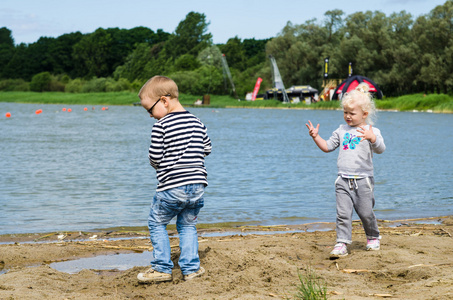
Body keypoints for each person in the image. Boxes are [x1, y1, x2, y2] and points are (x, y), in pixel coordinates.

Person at [137, 75, 212, 282]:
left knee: (156, 222)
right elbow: (207, 148)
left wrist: (160, 166)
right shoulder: (198, 121)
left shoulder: (161, 125)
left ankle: (161, 267)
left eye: (150, 110)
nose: (150, 115)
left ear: (164, 100)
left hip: (172, 186)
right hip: (197, 186)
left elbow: (154, 157)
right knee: (187, 225)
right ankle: (191, 269)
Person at [305, 83, 385, 258]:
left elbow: (381, 149)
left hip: (363, 180)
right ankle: (342, 243)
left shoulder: (371, 130)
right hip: (342, 180)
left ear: (364, 114)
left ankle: (373, 237)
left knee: (365, 212)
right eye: (345, 112)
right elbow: (327, 147)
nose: (347, 116)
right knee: (343, 214)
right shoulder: (341, 130)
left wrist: (372, 139)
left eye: (352, 113)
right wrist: (316, 137)